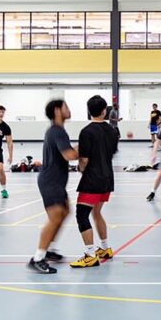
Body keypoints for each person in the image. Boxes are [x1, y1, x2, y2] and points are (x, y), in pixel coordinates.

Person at [28, 99, 79, 274]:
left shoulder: (58, 131)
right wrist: (87, 146)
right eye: (66, 106)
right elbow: (70, 155)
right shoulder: (57, 131)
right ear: (57, 111)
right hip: (51, 180)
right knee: (56, 216)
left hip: (56, 180)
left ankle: (49, 249)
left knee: (65, 212)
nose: (69, 109)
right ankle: (38, 258)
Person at [70, 95, 120, 268]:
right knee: (96, 212)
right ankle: (105, 248)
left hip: (93, 179)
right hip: (108, 178)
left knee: (81, 214)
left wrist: (80, 168)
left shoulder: (86, 132)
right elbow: (112, 151)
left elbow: (84, 159)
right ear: (104, 111)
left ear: (88, 111)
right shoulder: (113, 131)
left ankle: (90, 254)